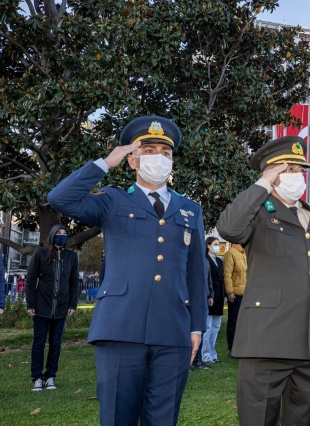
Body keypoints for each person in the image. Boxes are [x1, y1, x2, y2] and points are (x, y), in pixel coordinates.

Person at [47, 115, 207, 425]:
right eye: (148, 150)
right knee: (118, 416)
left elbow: (195, 273)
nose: (158, 157)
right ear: (132, 161)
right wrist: (106, 162)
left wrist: (196, 326)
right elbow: (60, 198)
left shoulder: (190, 209)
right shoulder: (113, 200)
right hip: (120, 327)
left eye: (165, 151)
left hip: (172, 329)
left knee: (163, 418)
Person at [216, 135, 310, 426]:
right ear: (269, 172)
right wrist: (263, 185)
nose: (296, 176)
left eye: (299, 170)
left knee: (308, 419)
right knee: (259, 419)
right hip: (267, 340)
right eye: (286, 169)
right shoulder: (258, 212)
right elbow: (228, 228)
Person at [26, 224, 79, 391]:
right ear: (52, 235)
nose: (61, 236)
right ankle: (37, 378)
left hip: (62, 307)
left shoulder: (71, 256)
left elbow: (73, 282)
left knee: (56, 343)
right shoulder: (40, 254)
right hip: (42, 305)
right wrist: (31, 304)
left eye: (65, 233)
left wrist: (72, 304)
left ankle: (50, 376)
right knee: (39, 342)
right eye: (59, 233)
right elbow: (31, 280)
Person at [202, 237, 225, 364]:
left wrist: (225, 294)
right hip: (211, 293)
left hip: (220, 293)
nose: (218, 247)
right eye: (216, 244)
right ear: (209, 245)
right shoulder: (205, 260)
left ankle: (212, 352)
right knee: (208, 326)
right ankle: (206, 354)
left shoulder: (219, 261)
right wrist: (210, 295)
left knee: (216, 326)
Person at [223, 243, 247, 358]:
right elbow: (227, 274)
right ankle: (232, 349)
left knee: (244, 322)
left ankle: (242, 348)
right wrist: (230, 292)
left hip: (246, 293)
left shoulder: (245, 253)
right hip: (236, 295)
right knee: (234, 321)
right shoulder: (231, 253)